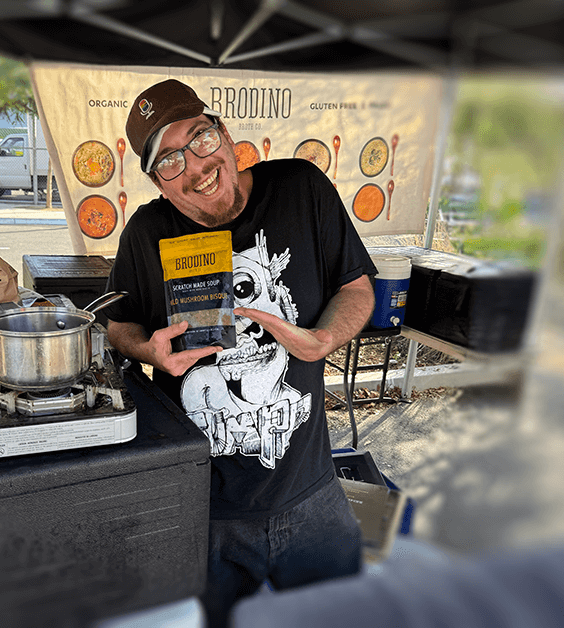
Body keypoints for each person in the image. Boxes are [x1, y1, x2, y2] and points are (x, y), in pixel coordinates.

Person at [101, 78, 379, 627]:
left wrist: (323, 339)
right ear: (158, 182)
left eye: (199, 139)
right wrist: (148, 351)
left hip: (310, 491)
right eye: (170, 162)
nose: (196, 167)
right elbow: (118, 324)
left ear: (225, 134)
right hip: (201, 507)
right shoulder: (146, 232)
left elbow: (356, 287)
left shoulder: (300, 187)